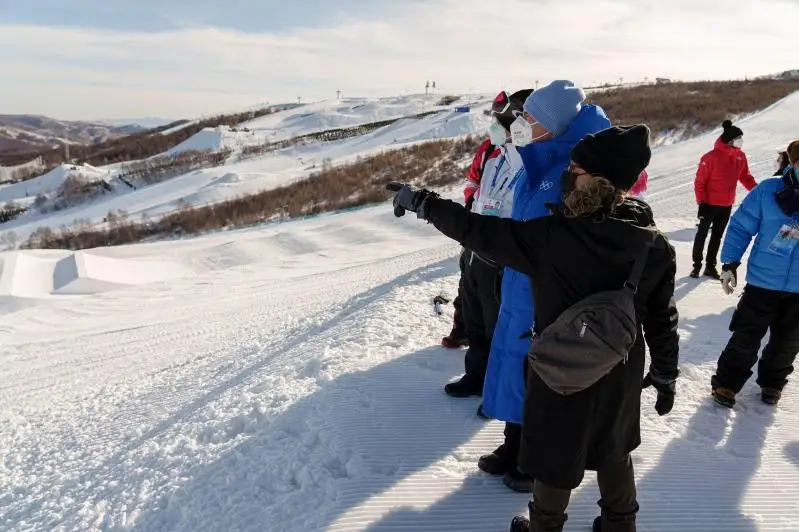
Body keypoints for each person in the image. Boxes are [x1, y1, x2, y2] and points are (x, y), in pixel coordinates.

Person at [388, 123, 680, 532]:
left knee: (555, 452)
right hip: (621, 366)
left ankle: (544, 527)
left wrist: (423, 201)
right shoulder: (653, 244)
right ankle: (620, 524)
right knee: (614, 445)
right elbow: (661, 317)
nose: (567, 174)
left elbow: (477, 230)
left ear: (598, 179)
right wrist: (665, 372)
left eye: (575, 169)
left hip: (559, 367)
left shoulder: (553, 238)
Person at [479, 80, 611, 493]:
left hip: (550, 288)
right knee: (513, 359)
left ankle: (534, 459)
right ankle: (513, 442)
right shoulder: (539, 158)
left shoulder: (577, 170)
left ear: (554, 124)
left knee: (539, 372)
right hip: (520, 280)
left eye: (531, 118)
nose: (522, 123)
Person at [444, 89, 532, 408]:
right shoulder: (493, 154)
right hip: (478, 248)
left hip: (503, 254)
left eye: (501, 122)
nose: (494, 127)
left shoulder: (531, 160)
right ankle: (476, 376)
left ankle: (498, 390)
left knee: (500, 327)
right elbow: (477, 189)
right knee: (476, 319)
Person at [710, 139, 799, 408]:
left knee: (788, 343)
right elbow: (740, 226)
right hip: (763, 282)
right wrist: (730, 263)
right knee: (746, 337)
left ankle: (773, 382)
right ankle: (727, 384)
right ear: (794, 163)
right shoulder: (769, 190)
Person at [441, 134, 502, 349]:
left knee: (493, 290)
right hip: (475, 224)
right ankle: (462, 328)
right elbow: (472, 180)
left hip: (500, 232)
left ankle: (489, 342)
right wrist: (472, 206)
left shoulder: (524, 146)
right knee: (467, 278)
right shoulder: (489, 148)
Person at [691, 120, 757, 279]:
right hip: (708, 205)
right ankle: (696, 266)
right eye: (738, 138)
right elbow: (699, 183)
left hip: (726, 205)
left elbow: (745, 177)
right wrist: (701, 203)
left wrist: (758, 191)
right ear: (729, 140)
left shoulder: (740, 156)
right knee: (702, 234)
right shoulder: (710, 157)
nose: (741, 141)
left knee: (717, 236)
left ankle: (710, 267)